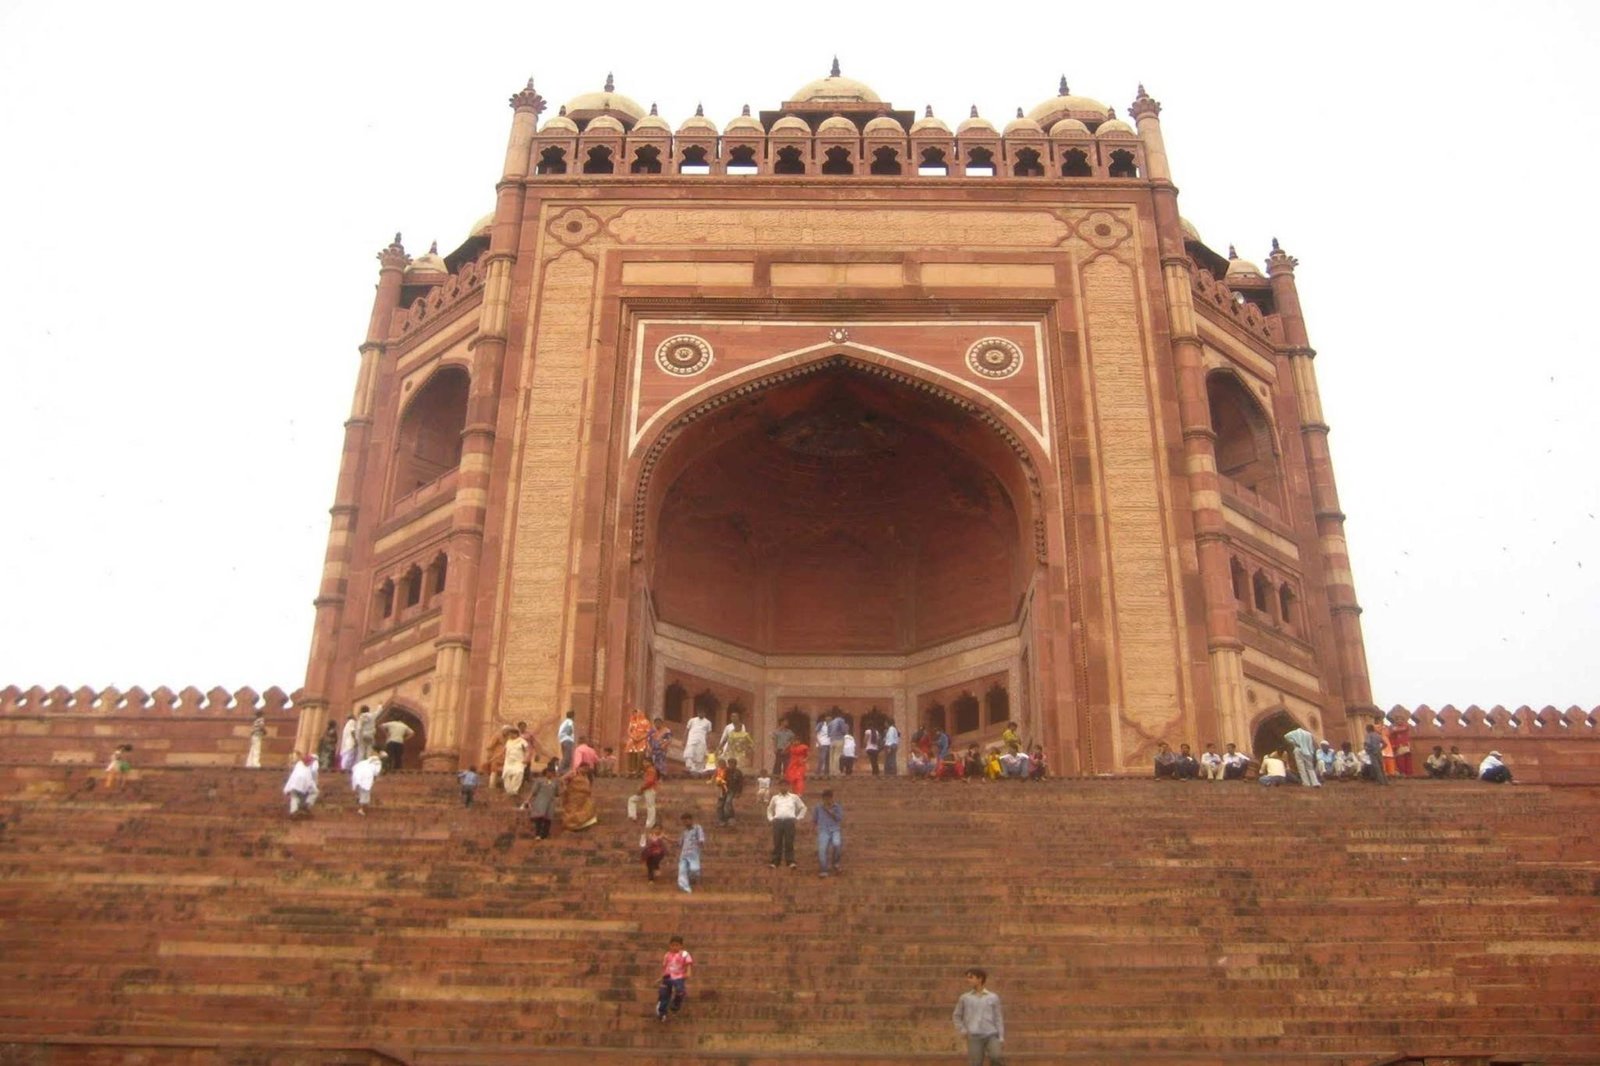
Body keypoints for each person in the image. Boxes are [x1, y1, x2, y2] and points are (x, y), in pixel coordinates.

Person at [952, 967, 1006, 1066]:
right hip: (974, 1036)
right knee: (976, 1063)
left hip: (991, 1034)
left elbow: (998, 1018)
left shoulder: (993, 997)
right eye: (967, 977)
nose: (968, 980)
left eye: (971, 977)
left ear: (980, 979)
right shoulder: (965, 998)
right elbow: (956, 1015)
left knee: (996, 1057)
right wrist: (962, 1030)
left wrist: (1001, 1036)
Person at [766, 777, 806, 869]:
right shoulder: (775, 798)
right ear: (779, 787)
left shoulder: (794, 797)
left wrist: (798, 818)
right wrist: (771, 818)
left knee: (789, 842)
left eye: (785, 785)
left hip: (789, 821)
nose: (783, 787)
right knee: (777, 842)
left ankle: (790, 861)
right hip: (778, 822)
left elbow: (803, 807)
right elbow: (769, 809)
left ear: (788, 787)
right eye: (781, 785)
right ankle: (775, 862)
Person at [563, 735, 600, 830]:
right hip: (588, 774)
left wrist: (575, 770)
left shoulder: (579, 749)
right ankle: (576, 823)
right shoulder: (591, 750)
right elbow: (596, 760)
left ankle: (581, 822)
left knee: (583, 803)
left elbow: (577, 762)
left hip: (580, 778)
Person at [656, 935, 693, 1021]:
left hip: (679, 977)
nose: (674, 947)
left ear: (681, 946)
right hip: (668, 976)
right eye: (672, 945)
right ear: (670, 945)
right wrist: (662, 976)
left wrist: (688, 972)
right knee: (664, 994)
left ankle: (675, 1006)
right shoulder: (667, 955)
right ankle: (662, 1012)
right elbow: (665, 967)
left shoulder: (684, 954)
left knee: (680, 991)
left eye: (677, 945)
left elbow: (688, 964)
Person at [814, 789, 844, 877]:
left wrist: (831, 812)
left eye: (829, 798)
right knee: (822, 849)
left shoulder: (837, 807)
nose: (827, 800)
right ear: (823, 799)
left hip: (835, 829)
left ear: (832, 798)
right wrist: (813, 828)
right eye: (825, 798)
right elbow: (815, 819)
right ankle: (824, 870)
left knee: (837, 844)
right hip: (823, 830)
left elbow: (839, 818)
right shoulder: (818, 807)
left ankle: (836, 863)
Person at [676, 811, 706, 893]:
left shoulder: (697, 828)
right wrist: (665, 838)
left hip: (694, 853)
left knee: (695, 869)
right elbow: (679, 843)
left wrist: (700, 843)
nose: (685, 823)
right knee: (682, 870)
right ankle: (685, 889)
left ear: (691, 820)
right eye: (683, 821)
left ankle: (695, 883)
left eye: (686, 820)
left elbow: (701, 838)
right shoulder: (684, 832)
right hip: (684, 854)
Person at [529, 765, 560, 839]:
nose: (551, 774)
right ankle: (538, 834)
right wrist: (528, 799)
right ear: (546, 772)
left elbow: (557, 793)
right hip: (541, 801)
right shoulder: (539, 780)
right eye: (550, 772)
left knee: (548, 819)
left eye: (553, 772)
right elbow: (534, 791)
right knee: (539, 817)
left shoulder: (555, 782)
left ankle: (545, 835)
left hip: (550, 802)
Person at [628, 759, 660, 829]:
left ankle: (650, 824)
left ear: (650, 763)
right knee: (632, 799)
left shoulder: (651, 770)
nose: (644, 764)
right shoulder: (647, 771)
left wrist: (642, 788)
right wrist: (642, 788)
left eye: (646, 762)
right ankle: (632, 815)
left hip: (650, 789)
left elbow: (650, 782)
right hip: (645, 789)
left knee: (650, 806)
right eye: (643, 762)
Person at [683, 708, 713, 777]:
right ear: (697, 713)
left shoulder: (708, 722)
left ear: (704, 713)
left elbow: (709, 734)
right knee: (689, 754)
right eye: (699, 712)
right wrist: (684, 740)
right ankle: (689, 768)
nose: (700, 714)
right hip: (691, 740)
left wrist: (709, 743)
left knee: (699, 756)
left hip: (702, 741)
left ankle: (698, 771)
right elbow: (686, 730)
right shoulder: (692, 720)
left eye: (702, 712)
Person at [502, 728, 531, 798]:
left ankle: (514, 791)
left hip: (519, 762)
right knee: (506, 775)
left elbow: (527, 751)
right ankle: (508, 791)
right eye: (509, 734)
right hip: (508, 762)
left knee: (518, 774)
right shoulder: (508, 741)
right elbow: (504, 751)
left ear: (516, 734)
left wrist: (526, 758)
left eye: (512, 734)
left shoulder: (522, 741)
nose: (510, 735)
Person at [715, 757, 743, 827]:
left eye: (733, 764)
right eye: (730, 764)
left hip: (732, 790)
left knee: (728, 803)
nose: (731, 765)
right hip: (723, 790)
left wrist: (738, 792)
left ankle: (730, 818)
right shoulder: (725, 771)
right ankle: (721, 820)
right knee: (720, 805)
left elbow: (740, 783)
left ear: (735, 764)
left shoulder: (738, 772)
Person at [625, 707, 652, 777]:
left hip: (642, 740)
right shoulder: (632, 721)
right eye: (633, 713)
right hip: (632, 739)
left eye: (635, 713)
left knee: (640, 755)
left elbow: (648, 732)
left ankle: (638, 771)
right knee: (631, 754)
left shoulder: (646, 722)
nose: (634, 714)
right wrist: (633, 737)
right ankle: (631, 771)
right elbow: (628, 731)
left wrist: (641, 738)